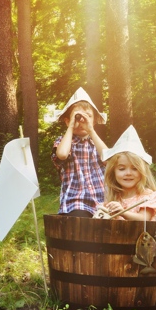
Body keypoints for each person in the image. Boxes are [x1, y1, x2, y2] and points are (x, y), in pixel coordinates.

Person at [52, 87, 108, 217]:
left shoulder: (96, 142)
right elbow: (62, 154)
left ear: (94, 121)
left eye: (88, 117)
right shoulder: (64, 141)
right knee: (80, 226)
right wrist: (71, 126)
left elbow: (109, 158)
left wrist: (91, 131)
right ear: (67, 121)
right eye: (78, 117)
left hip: (102, 200)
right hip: (76, 201)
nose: (82, 121)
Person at [99, 125, 156, 222]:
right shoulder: (114, 199)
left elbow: (144, 219)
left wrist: (123, 212)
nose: (128, 173)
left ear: (142, 172)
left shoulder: (147, 197)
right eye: (122, 169)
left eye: (134, 169)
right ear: (113, 172)